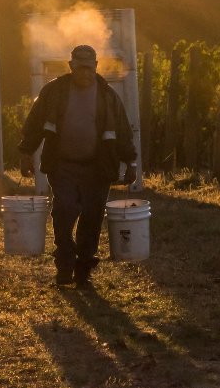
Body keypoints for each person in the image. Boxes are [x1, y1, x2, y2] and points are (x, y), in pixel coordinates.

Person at [18, 44, 138, 288]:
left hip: (98, 168)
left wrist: (131, 162)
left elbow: (124, 131)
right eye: (80, 68)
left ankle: (83, 271)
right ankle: (64, 265)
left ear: (96, 67)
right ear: (71, 66)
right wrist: (26, 153)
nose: (85, 73)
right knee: (65, 211)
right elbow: (35, 123)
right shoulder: (53, 92)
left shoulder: (107, 95)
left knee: (92, 217)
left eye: (89, 68)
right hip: (63, 166)